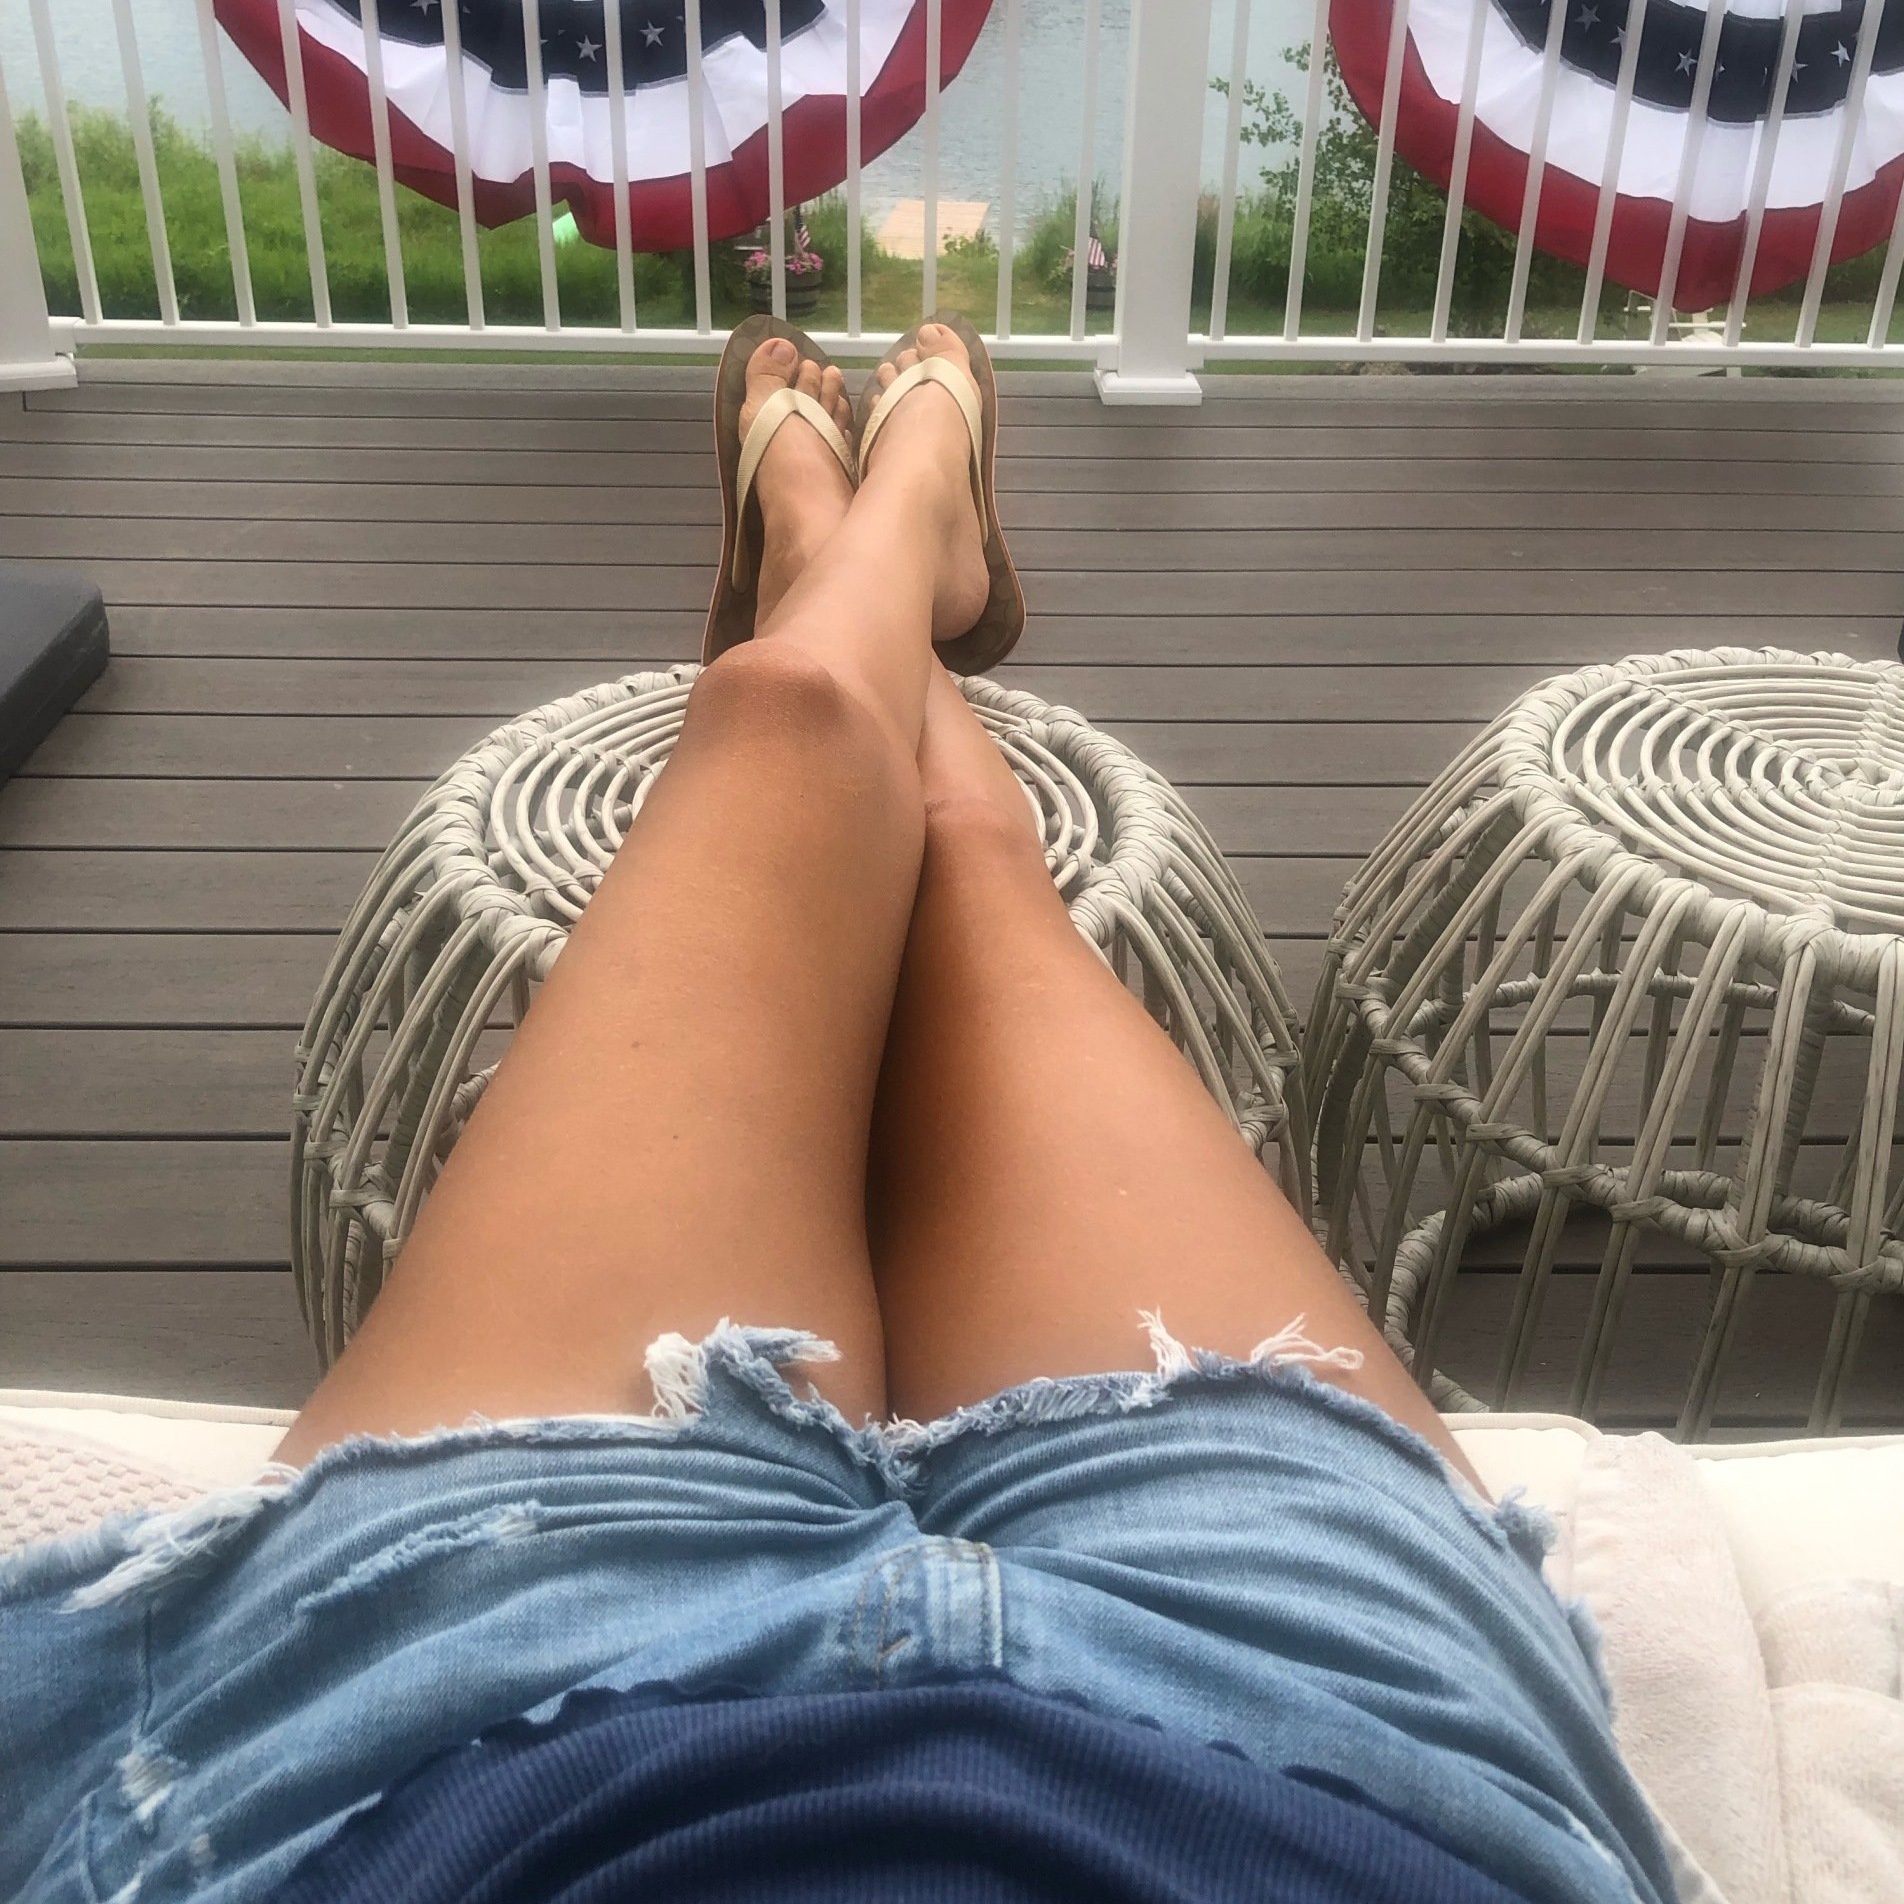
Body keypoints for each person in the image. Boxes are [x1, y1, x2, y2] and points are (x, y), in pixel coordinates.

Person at [0, 318, 1677, 1904]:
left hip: (448, 1757)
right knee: (965, 866)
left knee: (785, 728)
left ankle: (832, 559)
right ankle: (890, 534)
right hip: (1328, 1762)